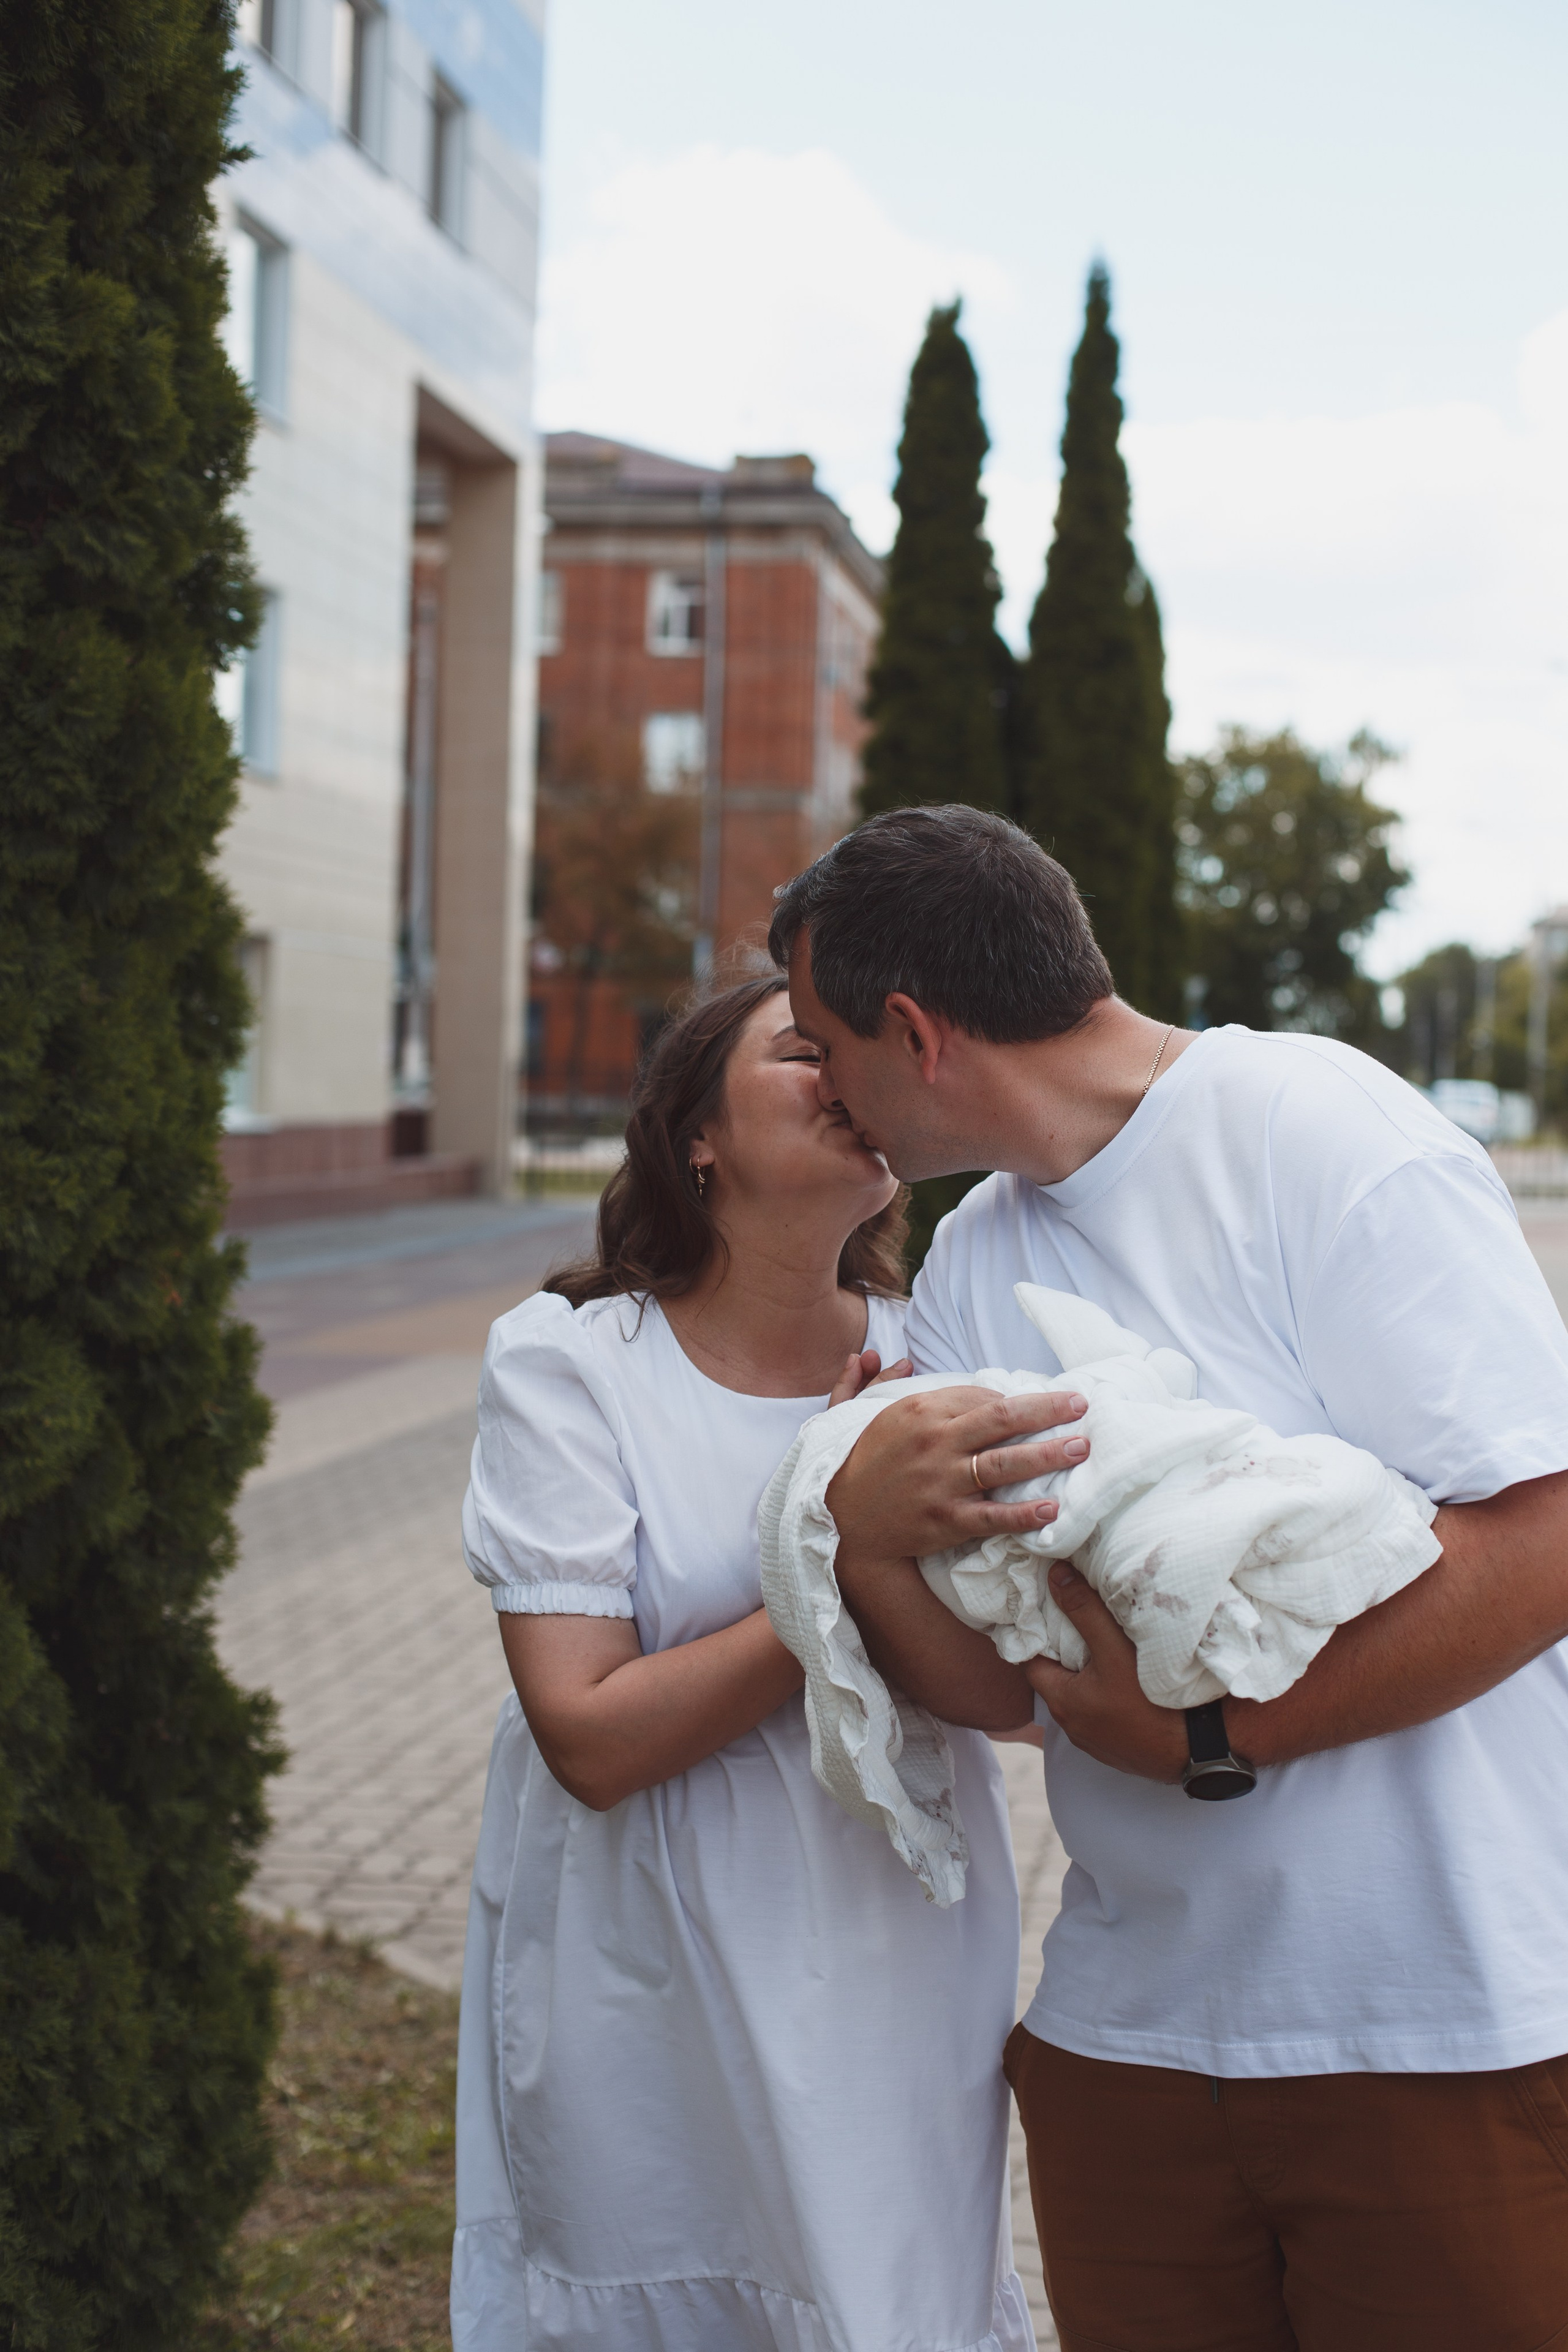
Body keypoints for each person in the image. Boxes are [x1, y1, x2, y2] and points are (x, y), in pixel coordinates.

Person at [769, 805, 1568, 2352]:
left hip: (1433, 2023)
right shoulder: (973, 1260)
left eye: (820, 1042)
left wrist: (1217, 1734)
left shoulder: (1318, 1135)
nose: (821, 1086)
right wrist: (863, 1539)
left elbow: (1545, 1538)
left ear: (914, 1031)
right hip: (1125, 2044)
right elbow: (1013, 1690)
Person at [451, 973, 1041, 2352]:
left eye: (857, 1051)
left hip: (890, 1923)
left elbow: (1009, 1701)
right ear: (694, 1137)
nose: (843, 1075)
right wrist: (830, 1551)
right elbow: (587, 1738)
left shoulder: (935, 1366)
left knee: (888, 2295)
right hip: (639, 1946)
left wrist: (873, 1551)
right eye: (799, 1050)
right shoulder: (573, 1365)